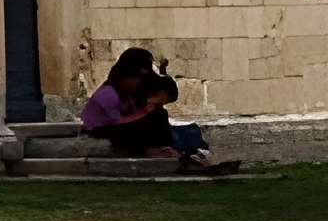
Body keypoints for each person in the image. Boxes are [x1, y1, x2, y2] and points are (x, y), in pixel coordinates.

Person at [78, 48, 229, 170]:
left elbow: (166, 90)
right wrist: (145, 111)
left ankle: (197, 154)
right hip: (99, 133)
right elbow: (116, 123)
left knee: (190, 130)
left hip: (119, 130)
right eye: (136, 78)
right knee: (158, 116)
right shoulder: (108, 94)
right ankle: (178, 153)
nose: (137, 83)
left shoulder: (128, 94)